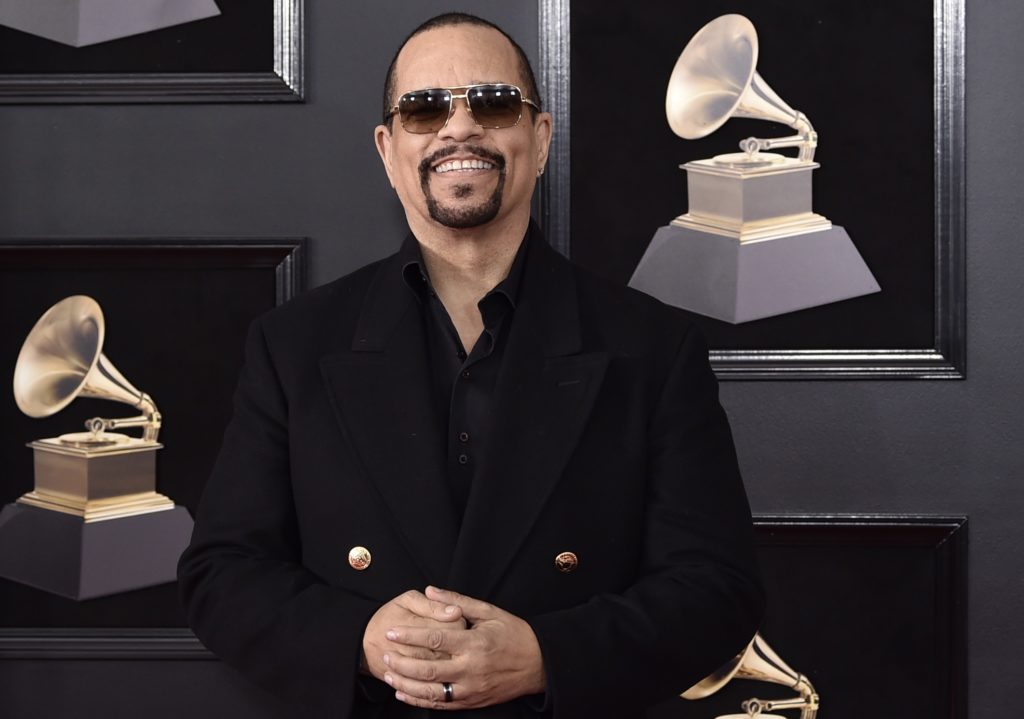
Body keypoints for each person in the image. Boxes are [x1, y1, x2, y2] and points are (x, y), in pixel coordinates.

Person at [178, 12, 764, 719]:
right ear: (388, 150)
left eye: (492, 103)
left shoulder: (653, 348)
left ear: (539, 139)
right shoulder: (291, 345)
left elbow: (716, 587)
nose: (459, 129)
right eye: (424, 109)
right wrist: (362, 639)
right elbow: (223, 575)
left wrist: (550, 654)